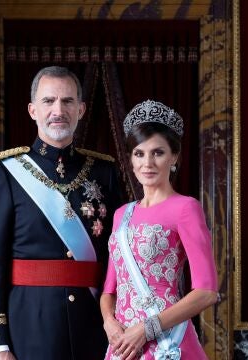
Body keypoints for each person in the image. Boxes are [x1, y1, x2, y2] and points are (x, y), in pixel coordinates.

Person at [0, 66, 122, 360]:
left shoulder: (104, 172)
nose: (58, 110)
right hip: (29, 326)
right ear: (32, 110)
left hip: (94, 326)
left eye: (67, 101)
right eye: (48, 101)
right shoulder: (5, 171)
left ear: (80, 109)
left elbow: (118, 257)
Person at [100, 100, 218, 360]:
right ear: (130, 159)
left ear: (174, 156)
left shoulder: (186, 208)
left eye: (158, 152)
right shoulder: (121, 214)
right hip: (123, 345)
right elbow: (110, 289)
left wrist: (146, 328)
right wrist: (110, 323)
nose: (148, 163)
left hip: (167, 342)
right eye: (139, 153)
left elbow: (207, 291)